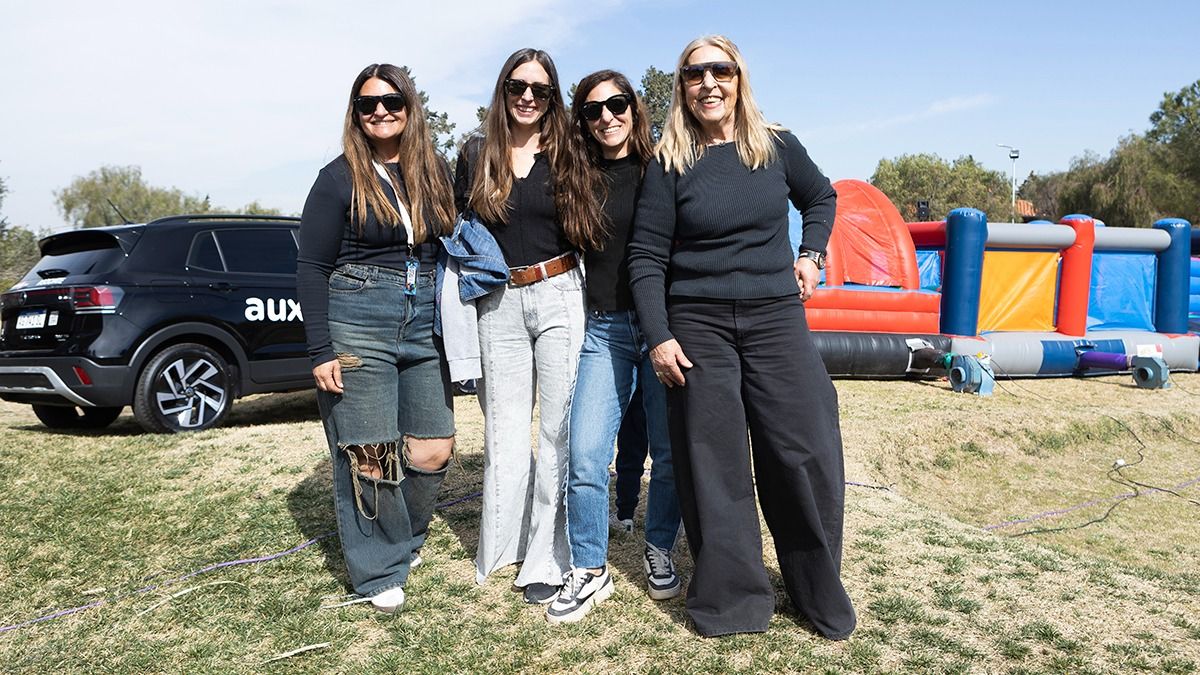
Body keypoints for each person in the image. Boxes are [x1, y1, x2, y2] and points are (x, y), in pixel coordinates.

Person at [627, 35, 857, 639]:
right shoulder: (668, 161)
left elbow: (821, 197)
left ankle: (815, 590)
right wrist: (657, 335)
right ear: (681, 87)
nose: (708, 83)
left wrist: (811, 252)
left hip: (776, 316)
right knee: (714, 462)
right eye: (694, 74)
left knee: (803, 450)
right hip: (697, 324)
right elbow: (646, 255)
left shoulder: (776, 145)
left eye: (720, 71)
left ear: (738, 77)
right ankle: (733, 601)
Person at [297, 63, 456, 613]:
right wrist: (320, 350)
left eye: (392, 102)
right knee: (370, 452)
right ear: (356, 113)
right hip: (356, 314)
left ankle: (400, 537)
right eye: (368, 104)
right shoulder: (337, 177)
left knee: (433, 447)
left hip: (424, 313)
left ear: (410, 108)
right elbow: (311, 267)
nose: (381, 111)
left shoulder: (431, 169)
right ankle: (376, 572)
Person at [454, 48, 592, 605]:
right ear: (502, 91)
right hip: (498, 301)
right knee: (505, 432)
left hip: (560, 293)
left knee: (557, 429)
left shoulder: (571, 151)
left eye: (539, 87)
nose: (528, 97)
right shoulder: (475, 154)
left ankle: (547, 555)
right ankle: (504, 544)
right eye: (517, 86)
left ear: (552, 94)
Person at [546, 70, 683, 624]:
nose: (607, 117)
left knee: (669, 452)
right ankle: (589, 567)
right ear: (581, 121)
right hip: (603, 332)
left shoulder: (663, 169)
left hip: (661, 331)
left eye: (617, 104)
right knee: (585, 454)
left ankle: (658, 547)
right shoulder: (573, 180)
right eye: (593, 110)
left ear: (634, 108)